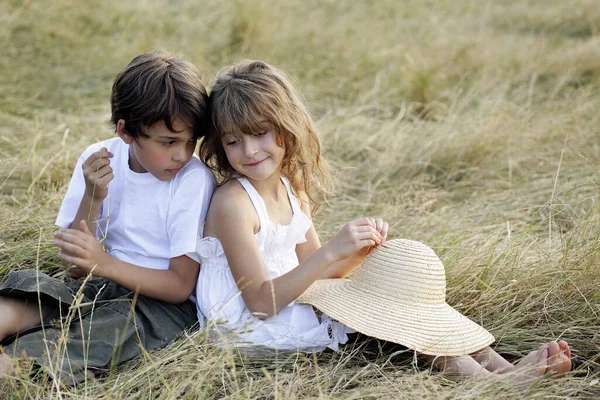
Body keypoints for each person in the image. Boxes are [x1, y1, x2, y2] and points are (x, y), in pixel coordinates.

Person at [194, 59, 571, 383]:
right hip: (251, 325)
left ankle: (501, 369)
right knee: (395, 312)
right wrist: (331, 253)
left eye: (260, 134)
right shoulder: (234, 204)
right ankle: (492, 385)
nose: (249, 151)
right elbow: (260, 302)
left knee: (402, 288)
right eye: (232, 141)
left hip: (289, 302)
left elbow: (323, 280)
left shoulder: (292, 191)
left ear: (287, 128)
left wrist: (357, 252)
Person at [0, 49, 215, 383]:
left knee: (99, 332)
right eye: (168, 141)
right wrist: (93, 196)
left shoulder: (193, 180)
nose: (182, 154)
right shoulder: (99, 160)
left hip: (161, 306)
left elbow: (181, 286)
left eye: (190, 141)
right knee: (33, 286)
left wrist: (104, 264)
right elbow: (75, 268)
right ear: (125, 132)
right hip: (103, 284)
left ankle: (13, 366)